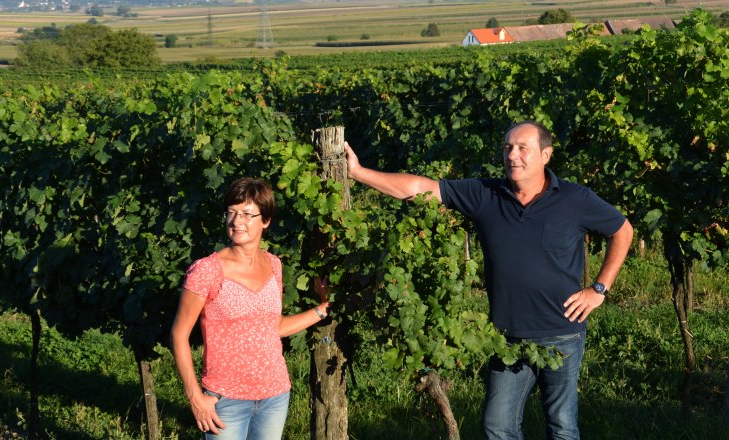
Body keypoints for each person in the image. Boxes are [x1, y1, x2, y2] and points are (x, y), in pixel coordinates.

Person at [344, 120, 634, 439]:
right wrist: (358, 173)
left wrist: (598, 289)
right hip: (507, 336)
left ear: (546, 154)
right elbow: (417, 189)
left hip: (561, 333)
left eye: (523, 148)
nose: (513, 155)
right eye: (508, 147)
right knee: (497, 426)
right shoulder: (485, 195)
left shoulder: (574, 199)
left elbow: (622, 230)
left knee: (562, 426)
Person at [171, 177, 331, 439]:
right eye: (231, 213)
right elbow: (179, 334)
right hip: (225, 400)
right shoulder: (207, 271)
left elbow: (274, 327)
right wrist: (195, 397)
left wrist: (322, 309)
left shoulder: (274, 265)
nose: (236, 222)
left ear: (265, 220)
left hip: (274, 395)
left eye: (247, 214)